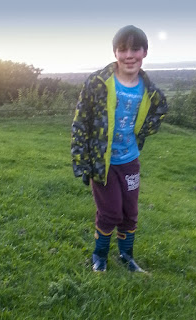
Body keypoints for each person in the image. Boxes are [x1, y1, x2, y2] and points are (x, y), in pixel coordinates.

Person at [71, 25, 168, 272]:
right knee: (110, 212)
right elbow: (80, 122)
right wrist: (81, 161)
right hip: (101, 164)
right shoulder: (98, 83)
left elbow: (160, 109)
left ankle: (126, 257)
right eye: (122, 49)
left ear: (144, 52)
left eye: (135, 49)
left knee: (130, 213)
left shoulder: (148, 88)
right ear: (115, 52)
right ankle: (99, 256)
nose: (129, 55)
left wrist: (143, 133)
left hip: (130, 161)